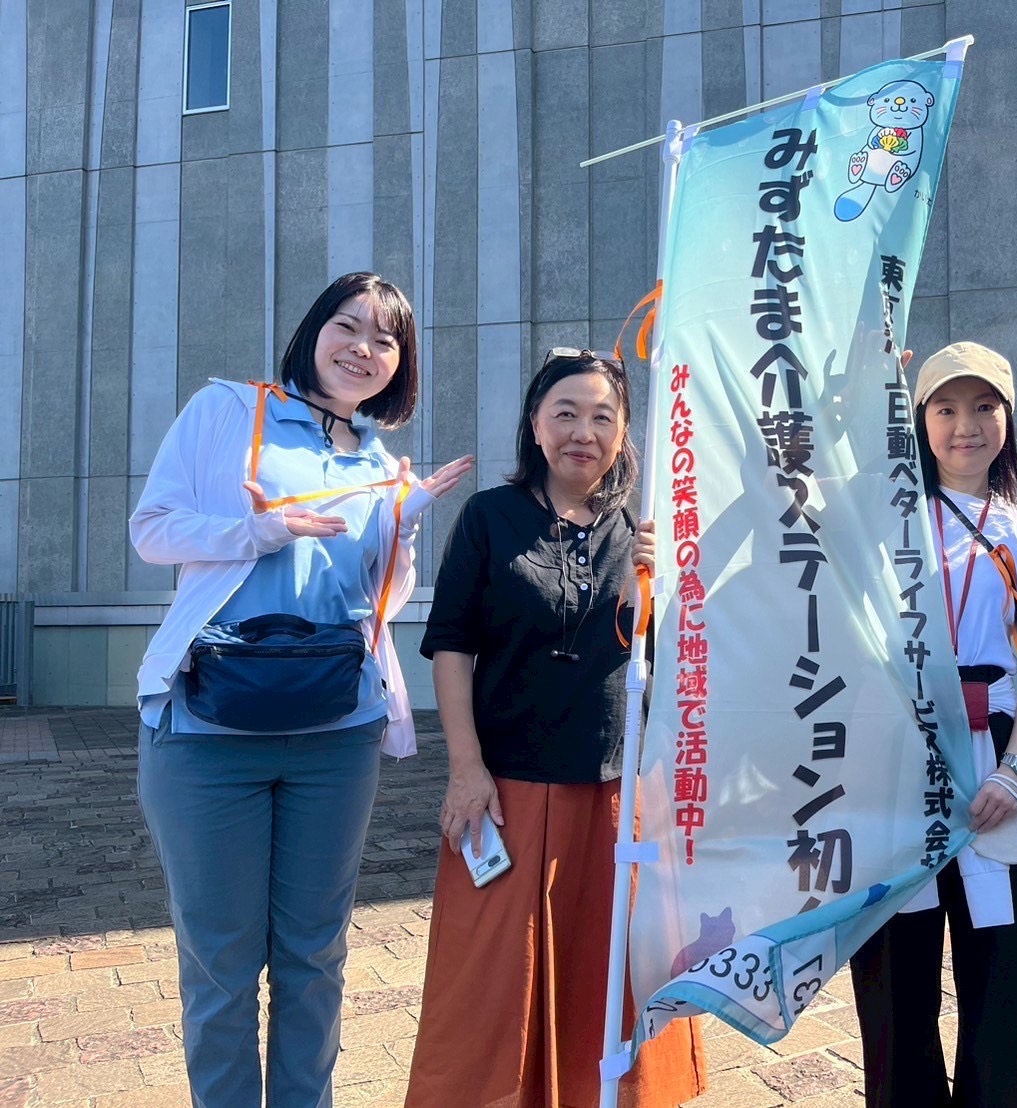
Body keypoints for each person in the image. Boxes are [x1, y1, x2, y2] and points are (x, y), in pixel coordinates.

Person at [130, 271, 473, 1106]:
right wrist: (256, 530)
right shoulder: (226, 411)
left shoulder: (381, 465)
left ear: (400, 364)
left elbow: (378, 603)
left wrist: (403, 525)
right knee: (219, 961)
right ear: (313, 330)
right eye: (347, 326)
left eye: (385, 340)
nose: (363, 349)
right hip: (207, 729)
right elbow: (152, 531)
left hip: (335, 732)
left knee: (315, 957)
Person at [405, 348, 706, 1107]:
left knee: (609, 977)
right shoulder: (488, 517)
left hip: (615, 791)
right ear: (535, 425)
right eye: (565, 413)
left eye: (603, 417)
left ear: (625, 431)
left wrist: (657, 588)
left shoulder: (642, 530)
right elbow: (452, 646)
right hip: (507, 787)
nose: (583, 432)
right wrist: (465, 768)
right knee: (492, 986)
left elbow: (670, 659)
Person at [849, 342, 1017, 1107]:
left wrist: (1015, 769)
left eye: (982, 407)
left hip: (994, 757)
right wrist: (859, 388)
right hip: (895, 763)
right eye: (943, 408)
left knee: (1001, 968)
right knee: (893, 965)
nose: (963, 426)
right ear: (918, 419)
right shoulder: (881, 517)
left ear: (1007, 420)